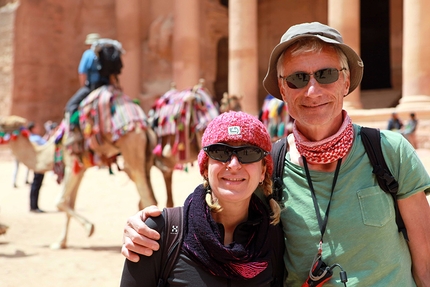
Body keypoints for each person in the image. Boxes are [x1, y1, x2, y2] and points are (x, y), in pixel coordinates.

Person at [121, 22, 430, 286]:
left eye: (326, 75)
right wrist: (150, 227)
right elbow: (220, 195)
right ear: (283, 90)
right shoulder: (270, 164)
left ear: (346, 80)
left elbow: (426, 260)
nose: (312, 90)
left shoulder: (390, 152)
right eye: (297, 79)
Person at [120, 111, 284, 286]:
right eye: (220, 152)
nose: (234, 165)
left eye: (249, 153)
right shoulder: (158, 234)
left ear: (263, 172)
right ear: (205, 168)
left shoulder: (272, 238)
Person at [65, 33, 107, 131]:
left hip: (93, 87)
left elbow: (82, 72)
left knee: (71, 105)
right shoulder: (105, 55)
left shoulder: (88, 54)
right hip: (106, 86)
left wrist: (83, 86)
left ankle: (74, 129)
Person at [27, 121, 47, 213]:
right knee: (36, 185)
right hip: (39, 164)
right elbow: (46, 145)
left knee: (35, 185)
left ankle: (33, 206)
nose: (38, 128)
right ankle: (34, 207)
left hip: (36, 164)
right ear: (32, 129)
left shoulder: (30, 138)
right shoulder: (36, 138)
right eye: (36, 127)